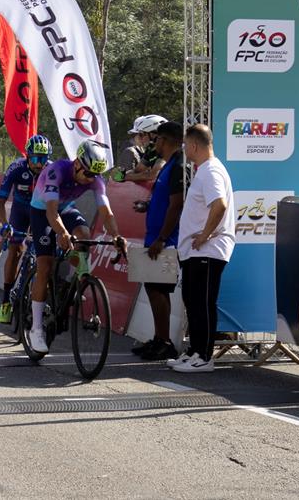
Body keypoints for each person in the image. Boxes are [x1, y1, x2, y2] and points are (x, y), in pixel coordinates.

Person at [27, 139, 127, 355]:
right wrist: (62, 233)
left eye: (95, 175)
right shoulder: (56, 171)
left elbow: (106, 212)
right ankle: (36, 328)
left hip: (66, 208)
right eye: (88, 173)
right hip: (42, 211)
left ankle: (72, 281)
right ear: (77, 164)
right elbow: (51, 212)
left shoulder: (95, 179)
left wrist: (116, 236)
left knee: (83, 234)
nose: (90, 179)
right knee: (44, 266)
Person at [168, 124, 235, 374]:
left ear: (195, 145)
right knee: (192, 301)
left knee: (203, 303)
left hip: (208, 250)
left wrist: (205, 235)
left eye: (185, 144)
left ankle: (205, 356)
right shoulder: (205, 170)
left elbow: (220, 205)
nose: (184, 149)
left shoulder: (211, 171)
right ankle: (195, 351)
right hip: (196, 252)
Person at [131, 121, 184, 361]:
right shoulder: (168, 164)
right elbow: (163, 199)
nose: (155, 145)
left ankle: (165, 342)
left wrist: (162, 238)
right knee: (153, 289)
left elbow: (177, 204)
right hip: (154, 235)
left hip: (166, 240)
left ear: (164, 140)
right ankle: (159, 338)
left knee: (159, 290)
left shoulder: (178, 165)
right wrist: (147, 206)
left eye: (157, 140)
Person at [0, 134, 52, 323]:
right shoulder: (16, 168)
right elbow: (0, 201)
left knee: (43, 257)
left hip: (41, 212)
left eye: (43, 159)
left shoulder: (51, 170)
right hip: (21, 210)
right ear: (28, 156)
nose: (39, 164)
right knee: (15, 250)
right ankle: (5, 301)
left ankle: (35, 298)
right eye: (35, 158)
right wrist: (4, 225)